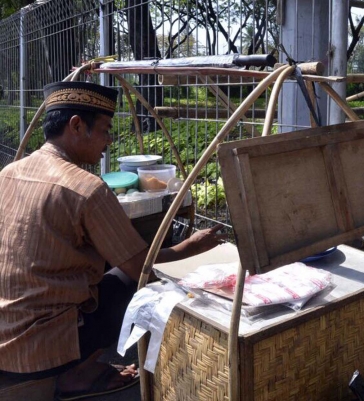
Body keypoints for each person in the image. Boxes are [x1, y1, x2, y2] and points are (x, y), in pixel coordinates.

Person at [0, 81, 226, 399]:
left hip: (5, 333)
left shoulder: (9, 172)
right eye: (105, 130)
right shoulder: (86, 188)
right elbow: (139, 267)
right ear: (76, 126)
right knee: (133, 285)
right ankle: (77, 374)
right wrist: (189, 247)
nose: (108, 142)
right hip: (41, 347)